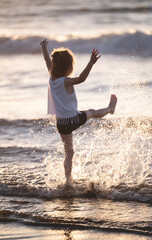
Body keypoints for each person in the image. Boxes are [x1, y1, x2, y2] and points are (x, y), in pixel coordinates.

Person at [40, 39, 117, 185]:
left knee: (69, 153)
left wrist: (43, 47)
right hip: (72, 119)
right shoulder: (65, 81)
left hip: (61, 123)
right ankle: (110, 109)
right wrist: (91, 63)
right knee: (92, 112)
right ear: (68, 67)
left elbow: (46, 59)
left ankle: (68, 181)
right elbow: (81, 78)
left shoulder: (52, 78)